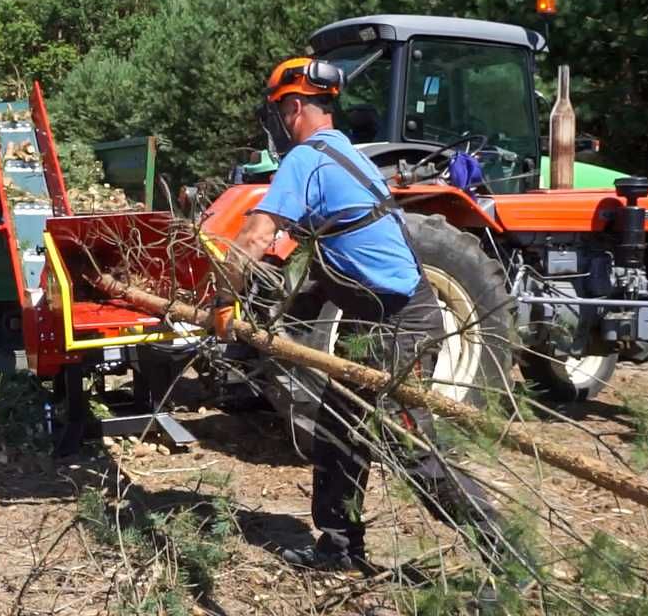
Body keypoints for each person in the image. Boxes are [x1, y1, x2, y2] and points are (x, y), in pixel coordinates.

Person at [214, 57, 506, 573]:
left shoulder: (307, 160)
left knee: (409, 446)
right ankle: (339, 548)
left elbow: (255, 238)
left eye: (282, 110)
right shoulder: (349, 154)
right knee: (337, 431)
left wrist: (220, 300)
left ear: (296, 106)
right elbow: (334, 255)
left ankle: (505, 555)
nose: (281, 122)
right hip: (371, 320)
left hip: (402, 323)